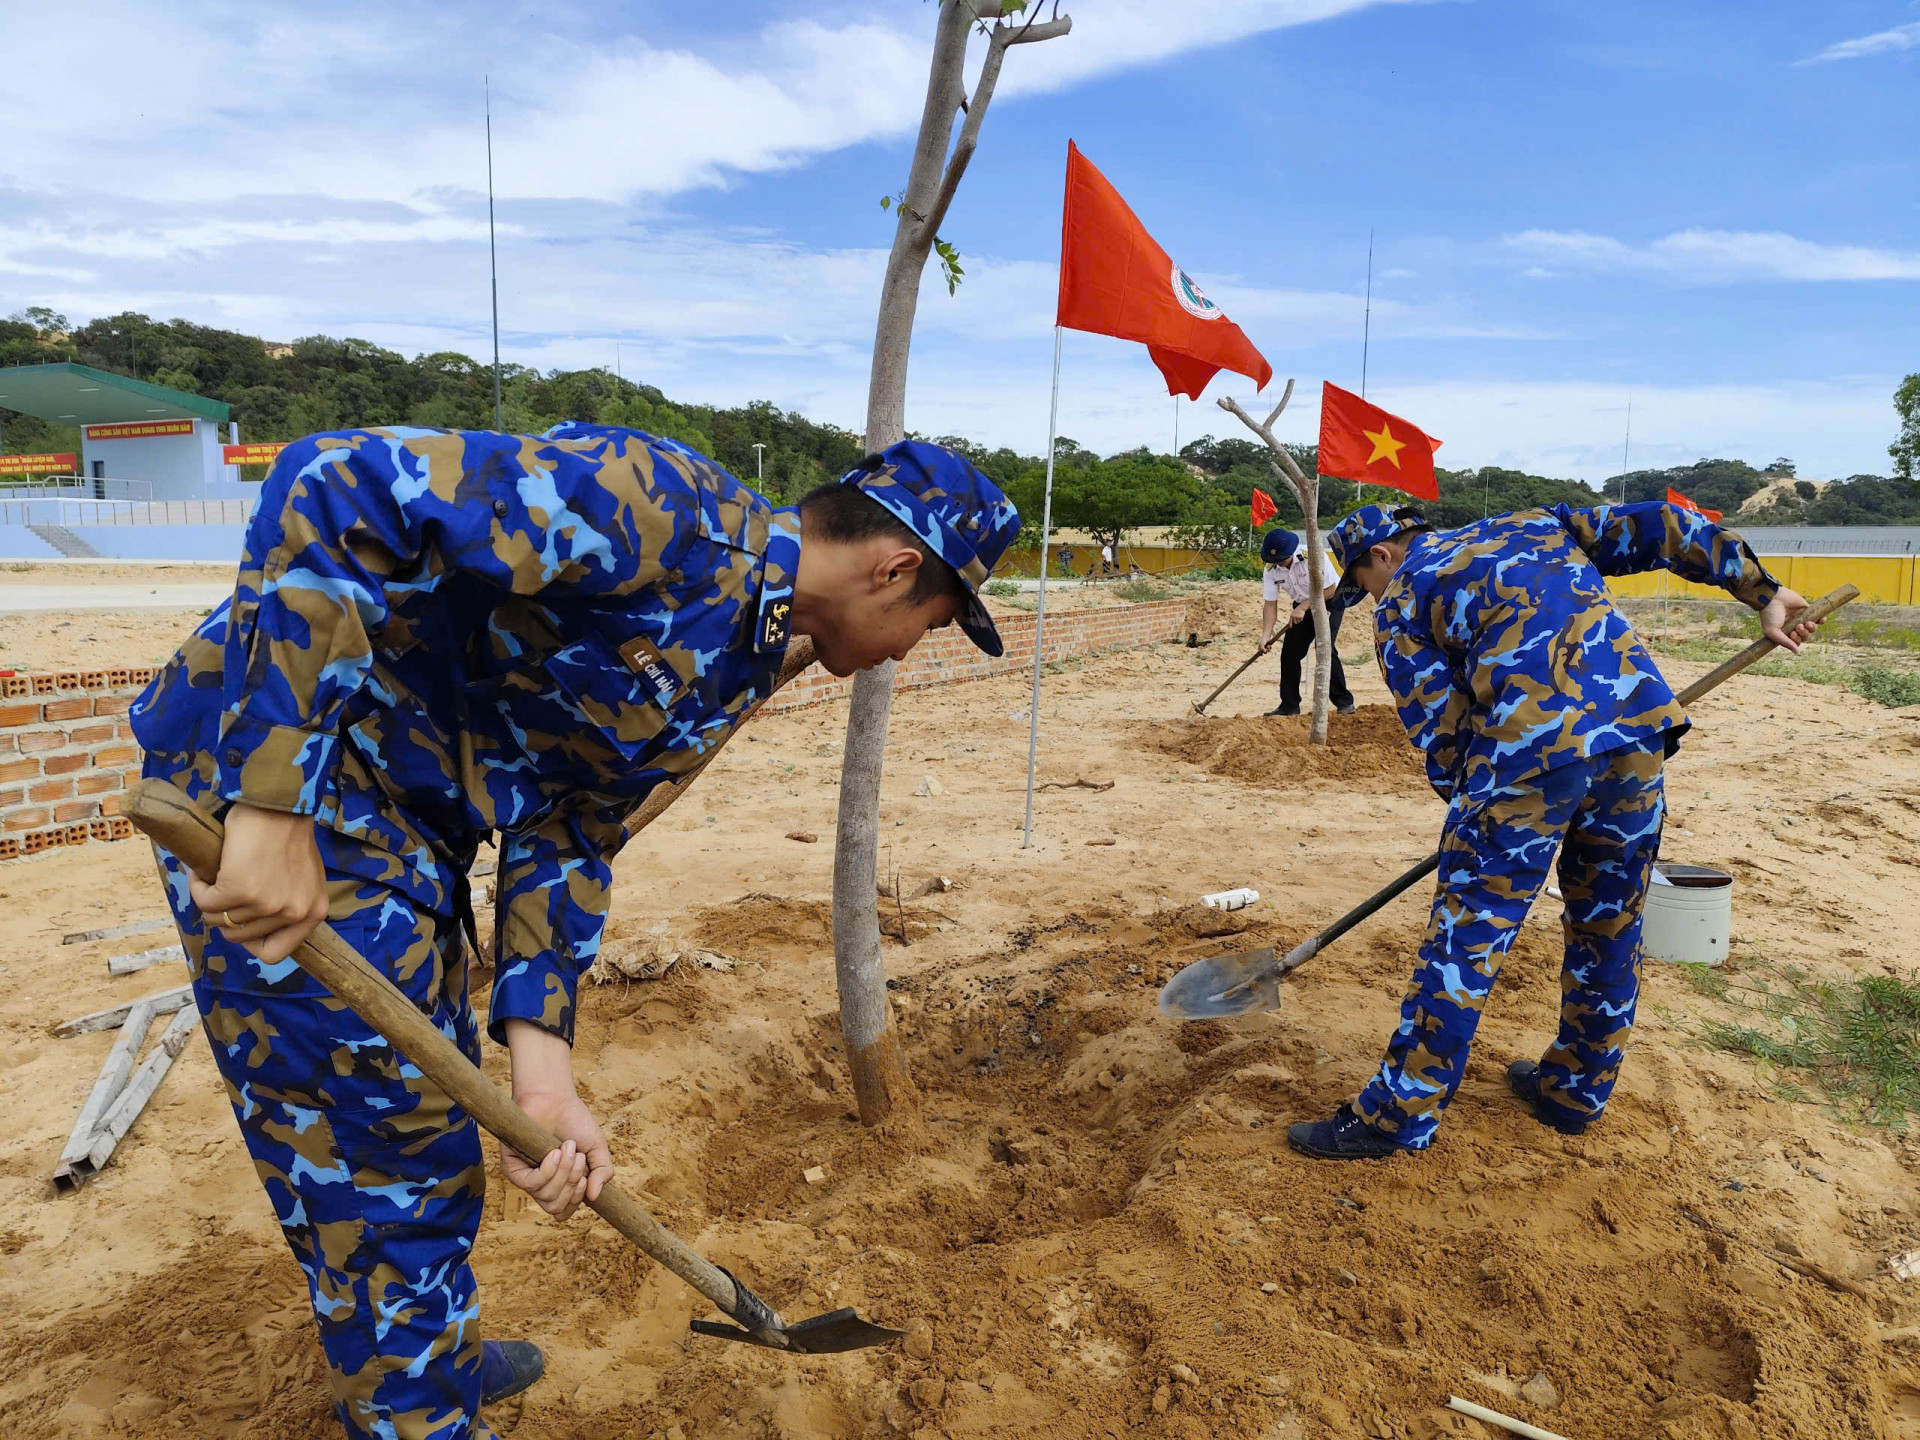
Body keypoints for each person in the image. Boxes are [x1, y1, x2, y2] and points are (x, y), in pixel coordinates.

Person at [129, 427, 1020, 1438]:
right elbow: (335, 485)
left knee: (400, 1134)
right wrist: (273, 805)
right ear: (895, 568)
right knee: (385, 1143)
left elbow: (569, 834)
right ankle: (420, 1409)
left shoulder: (735, 658)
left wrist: (544, 1076)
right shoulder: (663, 513)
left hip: (404, 826)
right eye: (935, 622)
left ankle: (428, 1355)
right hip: (286, 782)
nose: (908, 652)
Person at [1286, 499, 1820, 1161]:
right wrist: (1759, 591)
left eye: (1363, 582)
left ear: (1382, 555)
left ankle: (1398, 1118)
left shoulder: (1400, 604)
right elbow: (1663, 526)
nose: (1370, 595)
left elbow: (1442, 731)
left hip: (1522, 763)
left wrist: (1471, 817)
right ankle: (1573, 1092)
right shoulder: (1535, 523)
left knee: (1466, 935)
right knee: (1610, 926)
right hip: (1633, 740)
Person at [1257, 527, 1355, 717]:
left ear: (1291, 552)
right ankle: (1289, 706)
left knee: (1324, 648)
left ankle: (1344, 702)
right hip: (1301, 606)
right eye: (1274, 561)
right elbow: (1270, 604)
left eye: (1282, 560)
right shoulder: (1270, 570)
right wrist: (1265, 636)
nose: (1279, 565)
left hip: (1330, 602)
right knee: (1289, 654)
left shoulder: (1313, 556)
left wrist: (1303, 607)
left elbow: (1331, 589)